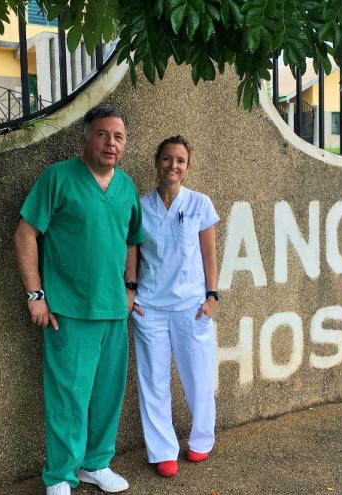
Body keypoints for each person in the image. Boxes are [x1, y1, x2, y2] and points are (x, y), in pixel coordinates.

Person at [13, 105, 144, 495]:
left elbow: (132, 240)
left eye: (118, 137)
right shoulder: (58, 178)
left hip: (113, 312)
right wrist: (36, 294)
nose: (111, 143)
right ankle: (60, 476)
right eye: (103, 134)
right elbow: (24, 235)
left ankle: (96, 464)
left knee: (107, 394)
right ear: (84, 139)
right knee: (68, 397)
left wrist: (130, 289)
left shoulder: (126, 186)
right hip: (67, 310)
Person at [130, 135, 220, 478]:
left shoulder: (200, 204)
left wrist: (212, 296)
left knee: (199, 377)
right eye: (167, 159)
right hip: (150, 307)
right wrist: (131, 291)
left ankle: (201, 439)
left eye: (180, 160)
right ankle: (163, 449)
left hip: (191, 305)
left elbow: (209, 254)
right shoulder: (140, 206)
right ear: (157, 162)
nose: (173, 165)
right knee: (153, 380)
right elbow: (133, 253)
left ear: (187, 166)